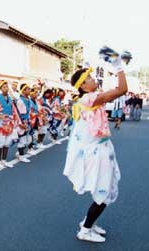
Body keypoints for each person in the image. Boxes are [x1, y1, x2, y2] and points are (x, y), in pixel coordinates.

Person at [64, 56, 127, 243]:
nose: (94, 80)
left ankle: (89, 222)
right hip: (97, 152)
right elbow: (122, 90)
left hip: (101, 148)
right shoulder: (90, 99)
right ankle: (85, 230)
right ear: (83, 86)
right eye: (90, 79)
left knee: (107, 188)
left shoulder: (89, 98)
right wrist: (119, 68)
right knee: (104, 191)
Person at [0, 80, 19, 168]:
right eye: (4, 87)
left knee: (7, 142)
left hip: (9, 122)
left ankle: (4, 160)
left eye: (7, 87)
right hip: (1, 123)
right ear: (1, 88)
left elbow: (13, 110)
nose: (6, 89)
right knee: (0, 142)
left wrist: (14, 119)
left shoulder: (10, 99)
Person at [15, 83, 32, 163]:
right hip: (21, 122)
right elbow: (17, 114)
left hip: (27, 121)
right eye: (28, 89)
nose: (29, 90)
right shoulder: (20, 101)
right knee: (22, 139)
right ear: (23, 90)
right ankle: (21, 156)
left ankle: (19, 153)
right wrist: (20, 123)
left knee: (28, 140)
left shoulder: (28, 100)